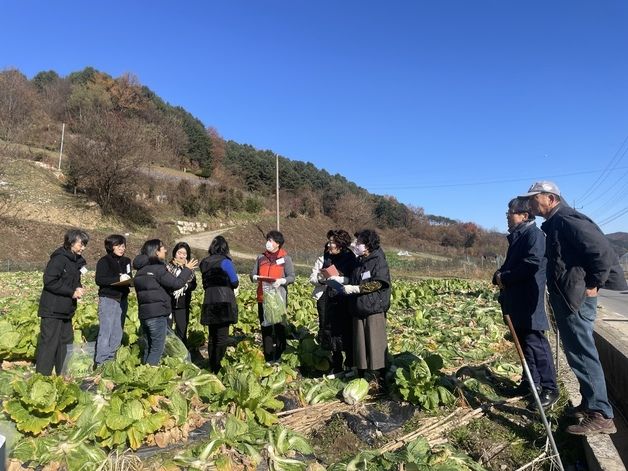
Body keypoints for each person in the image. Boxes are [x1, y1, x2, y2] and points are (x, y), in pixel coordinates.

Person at [521, 181, 627, 435]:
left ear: (550, 198)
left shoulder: (568, 219)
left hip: (576, 297)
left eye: (534, 198)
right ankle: (590, 404)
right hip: (568, 296)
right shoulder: (556, 222)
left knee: (582, 353)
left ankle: (601, 415)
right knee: (576, 353)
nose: (531, 204)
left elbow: (602, 252)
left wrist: (594, 283)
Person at [492, 198, 558, 409]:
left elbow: (532, 264)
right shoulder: (519, 236)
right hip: (517, 299)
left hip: (529, 299)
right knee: (524, 343)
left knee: (535, 343)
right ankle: (530, 384)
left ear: (525, 215)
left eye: (510, 212)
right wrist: (499, 274)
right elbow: (513, 264)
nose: (507, 216)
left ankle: (550, 388)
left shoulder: (534, 235)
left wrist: (505, 277)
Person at [133, 239, 198, 366]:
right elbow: (176, 283)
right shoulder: (158, 269)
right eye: (163, 249)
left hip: (144, 314)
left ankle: (143, 372)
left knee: (149, 347)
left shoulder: (140, 271)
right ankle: (149, 378)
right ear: (156, 252)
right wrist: (187, 269)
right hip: (157, 315)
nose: (165, 250)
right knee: (157, 349)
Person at [36, 229, 89, 376]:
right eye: (81, 244)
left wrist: (78, 287)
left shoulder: (76, 261)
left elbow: (74, 279)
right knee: (49, 344)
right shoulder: (58, 259)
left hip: (66, 310)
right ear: (71, 242)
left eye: (85, 245)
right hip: (52, 309)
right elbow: (50, 281)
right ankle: (42, 378)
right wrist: (71, 292)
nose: (83, 248)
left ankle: (63, 375)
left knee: (65, 343)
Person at [342, 229, 391, 385]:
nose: (356, 245)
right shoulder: (359, 260)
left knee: (375, 341)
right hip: (358, 306)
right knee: (360, 343)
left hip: (373, 307)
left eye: (359, 242)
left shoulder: (378, 260)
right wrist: (344, 280)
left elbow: (379, 282)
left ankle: (381, 376)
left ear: (368, 244)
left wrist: (357, 289)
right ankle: (362, 375)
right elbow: (356, 278)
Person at [310, 229, 358, 372]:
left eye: (332, 242)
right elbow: (319, 274)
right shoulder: (327, 256)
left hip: (344, 299)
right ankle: (336, 364)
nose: (329, 245)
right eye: (329, 242)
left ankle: (350, 363)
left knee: (345, 331)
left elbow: (355, 279)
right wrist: (323, 279)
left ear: (340, 244)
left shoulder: (350, 258)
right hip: (328, 298)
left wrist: (342, 279)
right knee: (329, 330)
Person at [250, 230, 295, 362]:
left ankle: (281, 354)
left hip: (278, 298)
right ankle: (269, 357)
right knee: (266, 327)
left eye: (270, 240)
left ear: (278, 244)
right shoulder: (261, 257)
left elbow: (291, 276)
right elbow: (252, 274)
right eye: (268, 240)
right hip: (263, 297)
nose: (268, 243)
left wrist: (282, 281)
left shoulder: (285, 258)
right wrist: (254, 277)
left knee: (280, 327)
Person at [200, 236, 239, 373]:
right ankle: (218, 366)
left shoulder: (204, 262)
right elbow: (235, 282)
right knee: (222, 337)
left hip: (209, 300)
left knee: (212, 336)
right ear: (225, 248)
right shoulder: (225, 262)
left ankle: (212, 364)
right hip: (223, 300)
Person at [94, 234, 132, 367]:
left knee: (117, 331)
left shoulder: (127, 261)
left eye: (123, 246)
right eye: (118, 246)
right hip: (108, 299)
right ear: (111, 247)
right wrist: (117, 279)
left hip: (122, 299)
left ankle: (112, 359)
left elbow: (129, 277)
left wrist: (128, 280)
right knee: (106, 331)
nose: (122, 248)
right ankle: (101, 362)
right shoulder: (104, 261)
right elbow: (100, 279)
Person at [166, 242, 197, 346]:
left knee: (182, 330)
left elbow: (194, 284)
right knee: (168, 330)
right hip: (169, 303)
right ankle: (167, 352)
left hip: (183, 304)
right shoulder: (168, 266)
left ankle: (182, 353)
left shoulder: (190, 269)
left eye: (184, 254)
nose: (181, 256)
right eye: (179, 253)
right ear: (175, 253)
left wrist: (186, 286)